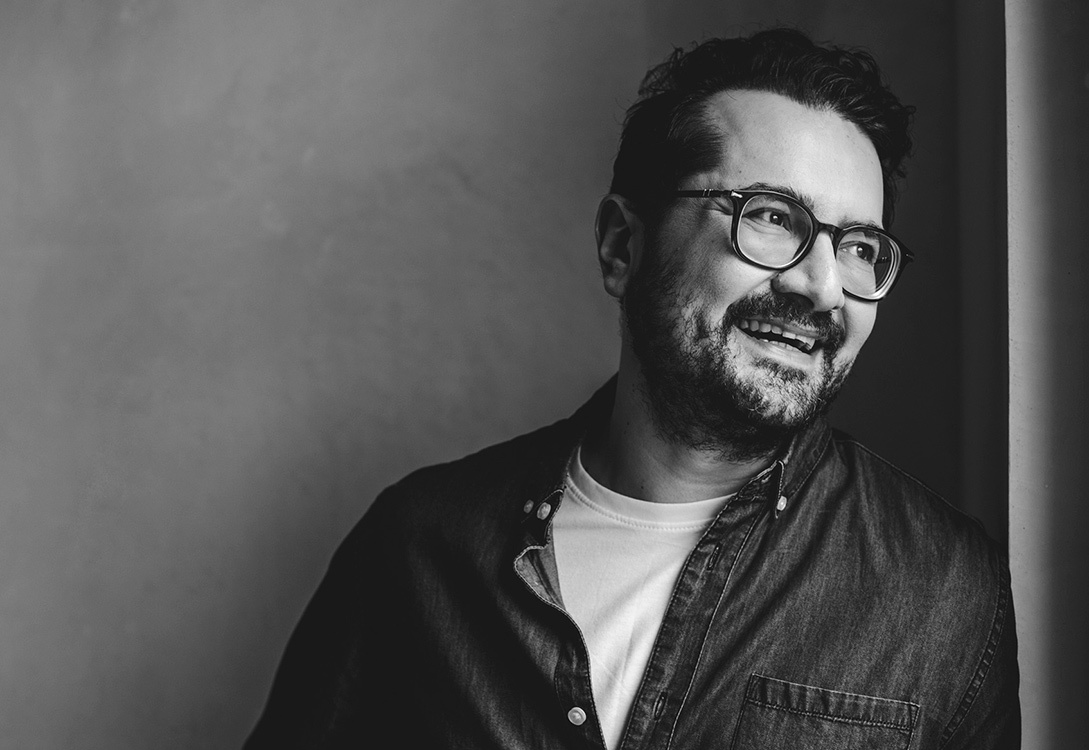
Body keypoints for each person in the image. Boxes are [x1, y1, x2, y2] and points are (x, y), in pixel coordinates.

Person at [245, 28, 1019, 749]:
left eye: (858, 246)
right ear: (623, 245)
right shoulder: (418, 549)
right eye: (771, 216)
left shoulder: (947, 589)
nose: (821, 287)